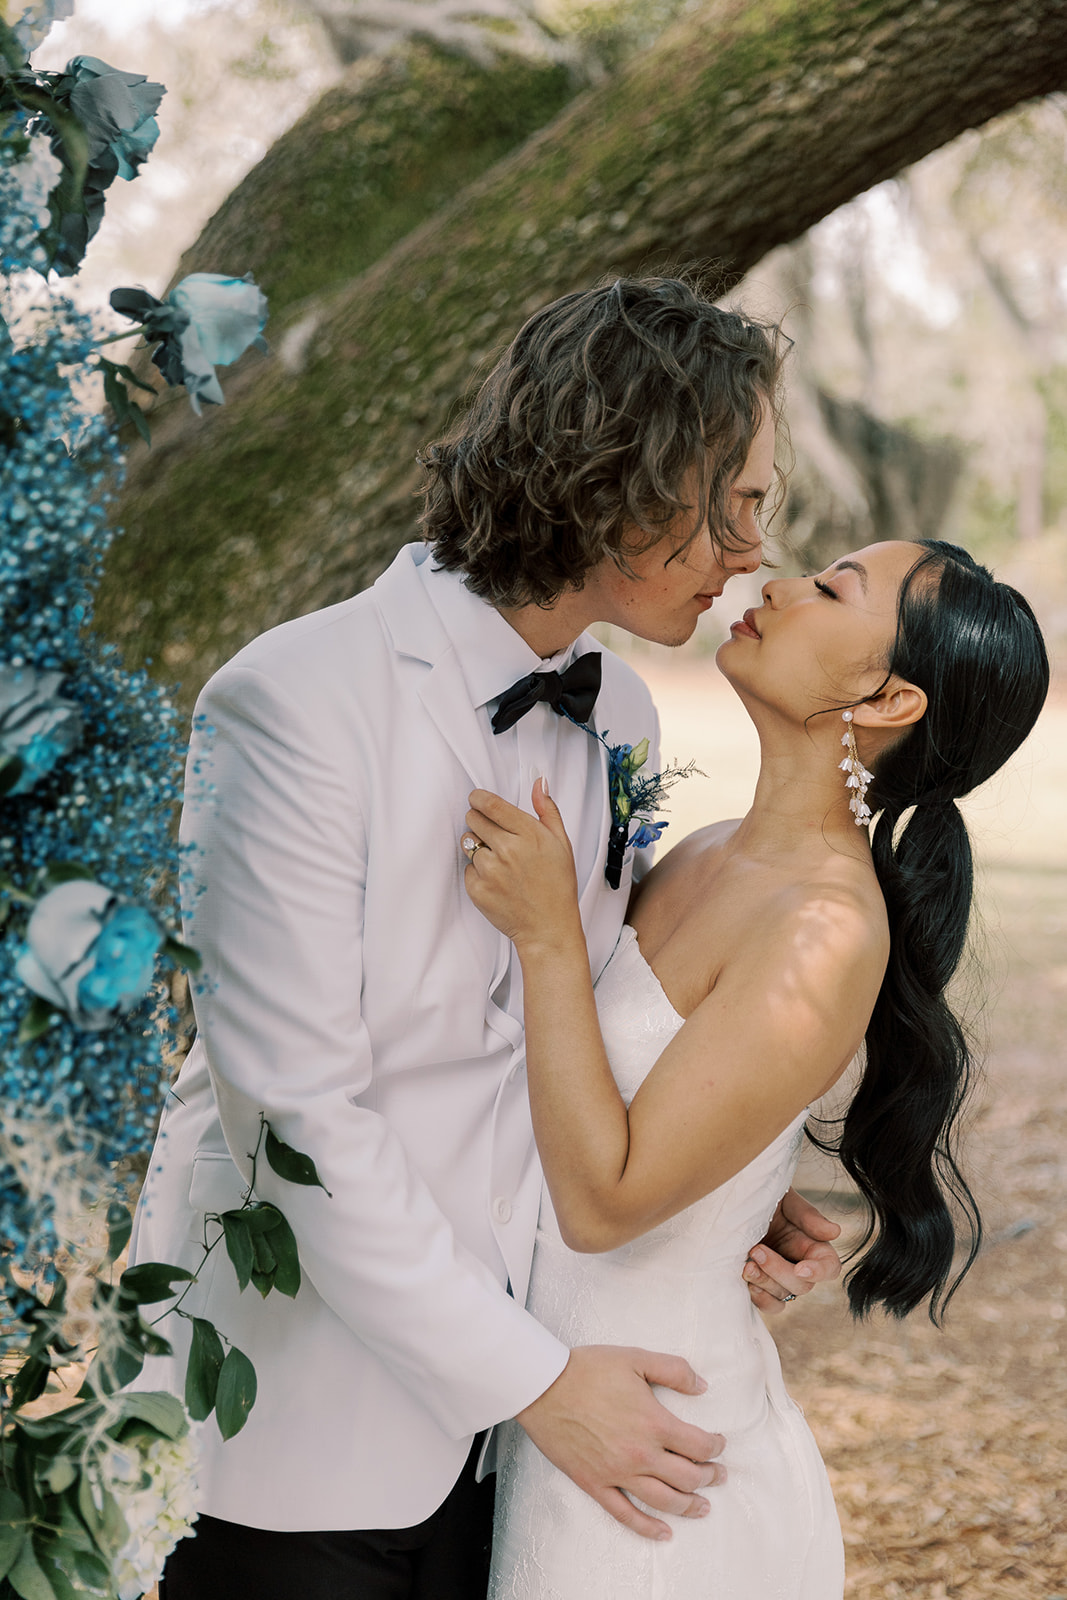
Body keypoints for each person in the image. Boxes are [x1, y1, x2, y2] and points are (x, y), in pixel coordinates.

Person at [131, 276, 844, 1600]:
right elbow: (291, 1115)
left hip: (514, 1462)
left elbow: (578, 1014)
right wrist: (538, 1384)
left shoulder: (621, 712)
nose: (752, 549)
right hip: (294, 1427)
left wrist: (713, 1176)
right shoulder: (289, 702)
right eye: (734, 503)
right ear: (625, 485)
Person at [461, 537, 1049, 1598]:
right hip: (569, 1419)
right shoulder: (703, 850)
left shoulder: (825, 927)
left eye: (832, 590)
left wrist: (547, 937)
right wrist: (740, 1183)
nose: (776, 583)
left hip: (661, 1474)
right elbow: (626, 1099)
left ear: (884, 695)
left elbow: (603, 1203)